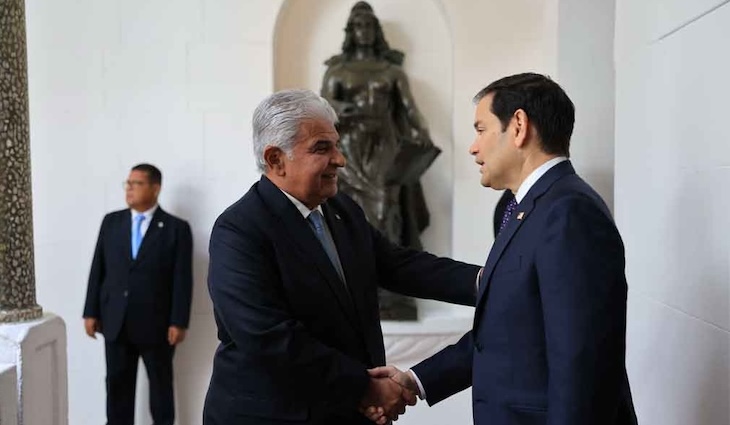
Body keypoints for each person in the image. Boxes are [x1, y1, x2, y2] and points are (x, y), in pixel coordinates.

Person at [367, 73, 638, 425]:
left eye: (481, 129)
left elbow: (583, 363)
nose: (473, 147)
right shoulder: (519, 209)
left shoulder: (570, 213)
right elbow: (508, 331)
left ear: (519, 126)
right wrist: (416, 380)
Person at [202, 89, 480, 425]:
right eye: (322, 148)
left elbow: (400, 266)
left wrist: (489, 280)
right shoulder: (239, 230)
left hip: (346, 411)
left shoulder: (341, 210)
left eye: (337, 145)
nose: (341, 159)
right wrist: (365, 387)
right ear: (276, 159)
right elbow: (268, 337)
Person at [321, 1, 438, 319]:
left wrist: (423, 135)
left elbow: (410, 110)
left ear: (376, 31)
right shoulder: (337, 71)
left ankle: (389, 288)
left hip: (384, 146)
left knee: (388, 210)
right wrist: (340, 109)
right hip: (350, 148)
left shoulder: (392, 72)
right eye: (359, 26)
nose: (365, 31)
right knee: (350, 215)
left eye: (369, 26)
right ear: (351, 31)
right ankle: (357, 285)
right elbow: (323, 108)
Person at [83, 163, 193, 425]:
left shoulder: (176, 228)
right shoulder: (112, 222)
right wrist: (90, 312)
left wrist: (179, 321)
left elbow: (182, 279)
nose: (129, 188)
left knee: (161, 389)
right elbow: (98, 268)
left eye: (137, 183)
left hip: (157, 325)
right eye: (128, 183)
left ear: (155, 188)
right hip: (115, 321)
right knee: (117, 388)